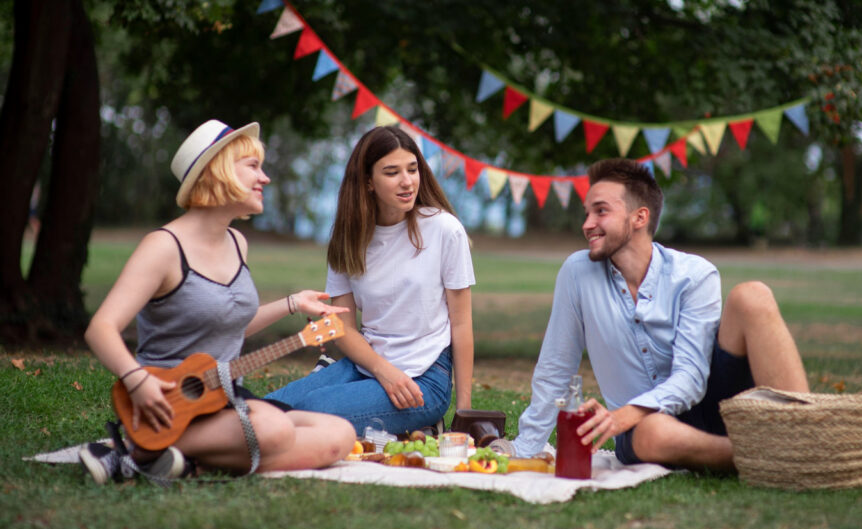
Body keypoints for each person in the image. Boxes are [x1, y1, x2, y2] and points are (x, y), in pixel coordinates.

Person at [80, 119, 356, 484]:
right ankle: (137, 444)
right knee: (276, 431)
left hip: (220, 396)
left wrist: (292, 303)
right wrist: (136, 381)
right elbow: (101, 328)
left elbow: (229, 325)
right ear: (219, 171)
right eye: (253, 166)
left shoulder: (237, 243)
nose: (266, 178)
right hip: (166, 403)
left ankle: (177, 462)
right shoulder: (163, 247)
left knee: (339, 435)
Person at [513, 158, 809, 471]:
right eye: (587, 212)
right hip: (646, 432)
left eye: (600, 211)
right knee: (654, 431)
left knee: (753, 295)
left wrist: (623, 414)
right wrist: (524, 448)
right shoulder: (577, 273)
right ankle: (773, 456)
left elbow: (692, 378)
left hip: (717, 405)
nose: (587, 224)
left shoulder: (695, 275)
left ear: (639, 217)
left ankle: (807, 433)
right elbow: (555, 366)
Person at [265, 126, 475, 436]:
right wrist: (383, 370)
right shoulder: (349, 237)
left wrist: (464, 414)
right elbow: (343, 327)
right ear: (368, 182)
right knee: (267, 409)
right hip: (366, 364)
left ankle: (427, 421)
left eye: (412, 169)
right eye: (392, 172)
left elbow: (461, 323)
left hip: (425, 378)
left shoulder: (445, 230)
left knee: (311, 411)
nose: (407, 181)